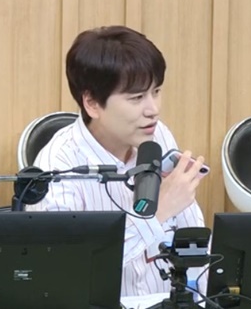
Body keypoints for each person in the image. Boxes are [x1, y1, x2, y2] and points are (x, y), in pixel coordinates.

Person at [33, 25, 207, 297]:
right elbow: (66, 272)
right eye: (137, 97)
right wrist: (156, 213)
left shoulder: (157, 135)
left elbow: (193, 241)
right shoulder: (59, 166)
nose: (153, 109)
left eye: (156, 91)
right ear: (92, 103)